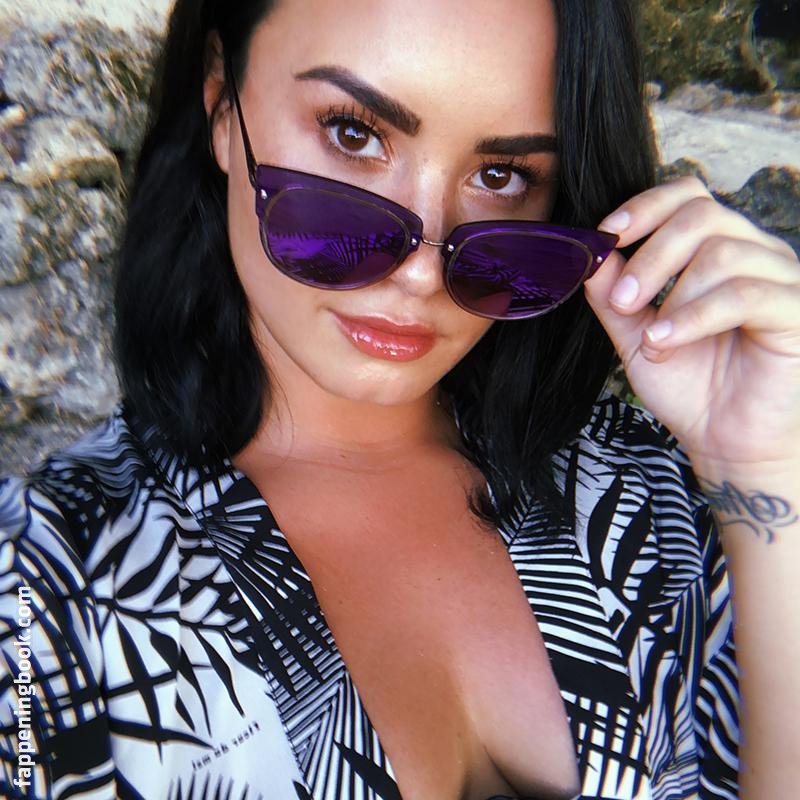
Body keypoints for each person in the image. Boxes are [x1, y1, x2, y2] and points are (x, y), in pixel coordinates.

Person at [1, 0, 798, 798]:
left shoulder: (654, 492)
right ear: (220, 101)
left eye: (501, 176)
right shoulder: (44, 590)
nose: (420, 271)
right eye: (353, 134)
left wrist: (761, 463)